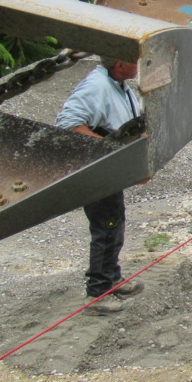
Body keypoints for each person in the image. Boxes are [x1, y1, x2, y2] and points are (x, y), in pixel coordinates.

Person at [56, 56, 145, 315]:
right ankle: (97, 293)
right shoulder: (96, 86)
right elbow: (68, 124)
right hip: (95, 169)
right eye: (134, 61)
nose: (138, 65)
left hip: (110, 168)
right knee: (105, 227)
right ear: (119, 64)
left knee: (114, 222)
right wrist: (109, 153)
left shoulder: (120, 85)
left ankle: (112, 278)